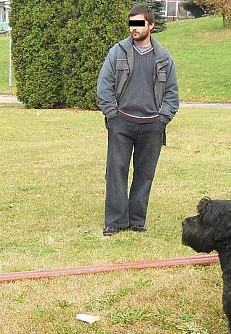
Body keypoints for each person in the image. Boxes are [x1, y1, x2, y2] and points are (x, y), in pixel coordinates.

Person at [97, 4, 179, 237]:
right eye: (132, 23)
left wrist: (162, 118)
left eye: (139, 23)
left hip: (152, 125)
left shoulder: (164, 58)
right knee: (116, 172)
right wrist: (112, 114)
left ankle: (137, 220)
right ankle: (115, 221)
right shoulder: (117, 52)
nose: (134, 28)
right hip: (121, 123)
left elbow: (172, 93)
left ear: (151, 25)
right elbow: (104, 86)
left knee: (144, 174)